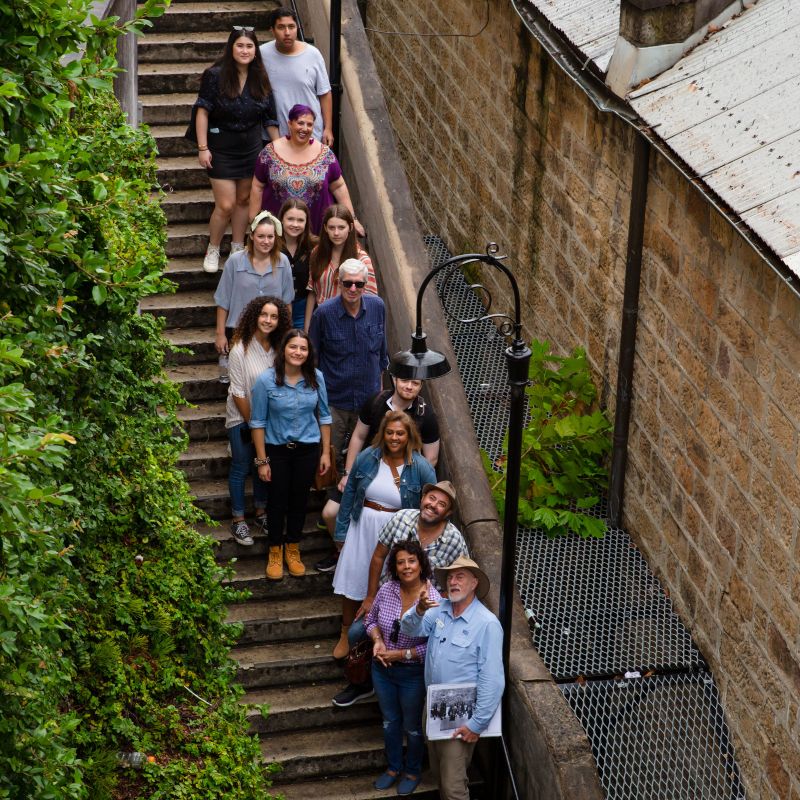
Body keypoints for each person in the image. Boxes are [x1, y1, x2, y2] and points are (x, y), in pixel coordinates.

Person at [332, 481, 466, 709]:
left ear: (448, 513)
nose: (433, 506)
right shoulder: (402, 518)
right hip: (388, 598)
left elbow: (461, 578)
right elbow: (378, 556)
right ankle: (363, 683)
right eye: (431, 498)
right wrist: (370, 596)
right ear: (423, 498)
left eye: (441, 504)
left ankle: (408, 695)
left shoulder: (454, 540)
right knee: (356, 632)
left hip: (425, 612)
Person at [331, 411, 435, 661]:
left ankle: (379, 636)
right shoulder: (368, 457)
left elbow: (432, 498)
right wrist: (341, 531)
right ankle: (346, 632)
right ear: (383, 433)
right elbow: (350, 493)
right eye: (390, 432)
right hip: (362, 524)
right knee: (353, 578)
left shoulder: (419, 465)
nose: (394, 437)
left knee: (387, 581)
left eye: (400, 433)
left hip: (396, 532)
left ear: (409, 436)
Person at [401, 556, 504, 800]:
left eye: (460, 576)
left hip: (462, 716)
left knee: (453, 787)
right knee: (439, 773)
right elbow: (408, 629)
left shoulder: (487, 623)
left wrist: (477, 724)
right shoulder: (440, 609)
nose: (453, 582)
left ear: (474, 583)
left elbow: (493, 678)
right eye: (449, 577)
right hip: (434, 707)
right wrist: (419, 609)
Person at [315, 376, 440, 573]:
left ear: (421, 386)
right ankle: (344, 553)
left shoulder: (426, 415)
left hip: (403, 477)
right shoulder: (376, 402)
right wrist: (348, 473)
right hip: (366, 469)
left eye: (415, 383)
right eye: (405, 380)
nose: (409, 386)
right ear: (394, 379)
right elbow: (358, 436)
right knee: (330, 512)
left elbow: (431, 459)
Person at [193, 27, 278, 274]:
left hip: (250, 148)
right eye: (240, 46)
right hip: (221, 147)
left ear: (255, 51)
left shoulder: (261, 77)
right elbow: (202, 110)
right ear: (231, 48)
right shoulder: (215, 75)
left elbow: (270, 119)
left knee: (244, 200)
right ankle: (214, 247)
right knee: (227, 204)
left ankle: (238, 247)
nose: (245, 50)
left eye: (249, 46)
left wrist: (279, 150)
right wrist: (202, 147)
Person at [250, 329, 332, 580]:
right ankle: (275, 550)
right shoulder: (266, 380)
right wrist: (262, 461)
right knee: (277, 502)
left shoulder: (316, 378)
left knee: (299, 502)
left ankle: (293, 548)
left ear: (309, 353)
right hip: (277, 451)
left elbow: (325, 416)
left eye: (303, 348)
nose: (298, 352)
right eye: (293, 347)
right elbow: (257, 422)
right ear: (283, 350)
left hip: (307, 450)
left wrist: (325, 452)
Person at [365, 540, 441, 796]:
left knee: (412, 726)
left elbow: (435, 646)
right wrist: (377, 640)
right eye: (400, 562)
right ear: (395, 568)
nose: (406, 566)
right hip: (382, 669)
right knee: (389, 722)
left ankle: (412, 770)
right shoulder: (387, 589)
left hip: (412, 674)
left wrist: (401, 654)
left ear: (420, 564)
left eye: (411, 561)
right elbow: (370, 619)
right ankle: (393, 767)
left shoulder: (434, 600)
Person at [308, 259, 388, 486]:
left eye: (359, 284)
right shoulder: (323, 313)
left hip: (369, 400)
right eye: (348, 283)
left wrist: (380, 391)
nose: (353, 289)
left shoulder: (377, 307)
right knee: (329, 455)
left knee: (366, 457)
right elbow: (313, 359)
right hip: (334, 399)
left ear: (365, 284)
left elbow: (382, 353)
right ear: (338, 282)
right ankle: (329, 506)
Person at [224, 295, 291, 545]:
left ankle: (261, 512)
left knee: (264, 465)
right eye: (264, 315)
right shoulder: (240, 348)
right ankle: (238, 520)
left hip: (270, 419)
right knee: (242, 466)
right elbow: (238, 391)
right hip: (242, 417)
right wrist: (254, 424)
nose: (268, 320)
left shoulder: (278, 348)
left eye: (274, 316)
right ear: (254, 315)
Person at [248, 104, 365, 236]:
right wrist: (254, 221)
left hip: (317, 233)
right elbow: (257, 187)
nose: (305, 128)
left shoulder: (325, 154)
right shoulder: (269, 153)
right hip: (276, 235)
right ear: (289, 124)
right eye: (300, 123)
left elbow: (338, 186)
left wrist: (353, 219)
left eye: (309, 124)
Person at [214, 211, 294, 357]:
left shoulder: (283, 262)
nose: (266, 241)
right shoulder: (235, 261)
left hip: (272, 333)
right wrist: (220, 334)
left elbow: (287, 302)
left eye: (270, 236)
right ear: (251, 236)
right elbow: (223, 301)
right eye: (261, 236)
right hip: (239, 331)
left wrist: (286, 333)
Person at [260, 7, 333, 146]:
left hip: (309, 133)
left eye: (291, 27)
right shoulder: (262, 54)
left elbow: (324, 93)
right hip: (276, 136)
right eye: (281, 27)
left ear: (297, 28)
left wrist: (328, 128)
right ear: (272, 30)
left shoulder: (313, 54)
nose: (287, 32)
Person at [304, 205, 377, 330]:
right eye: (332, 228)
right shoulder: (317, 253)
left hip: (348, 324)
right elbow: (312, 291)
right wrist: (307, 327)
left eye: (341, 227)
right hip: (320, 321)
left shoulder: (362, 260)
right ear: (325, 228)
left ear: (350, 227)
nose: (336, 233)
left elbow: (371, 301)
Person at [278, 198, 317, 329]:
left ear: (306, 223)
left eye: (300, 220)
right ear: (282, 219)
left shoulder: (314, 246)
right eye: (290, 219)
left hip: (303, 308)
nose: (295, 224)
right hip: (276, 307)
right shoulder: (270, 245)